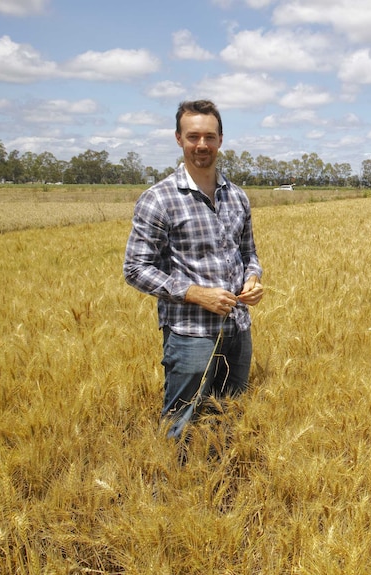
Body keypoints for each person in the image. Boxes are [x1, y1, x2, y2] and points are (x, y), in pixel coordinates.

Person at [124, 99, 264, 440]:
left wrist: (254, 279)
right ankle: (173, 486)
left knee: (229, 416)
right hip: (190, 334)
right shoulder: (159, 199)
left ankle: (219, 484)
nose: (202, 145)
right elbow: (135, 268)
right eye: (193, 136)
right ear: (178, 138)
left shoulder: (237, 197)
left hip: (238, 328)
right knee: (182, 421)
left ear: (220, 139)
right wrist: (195, 293)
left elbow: (248, 252)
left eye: (209, 136)